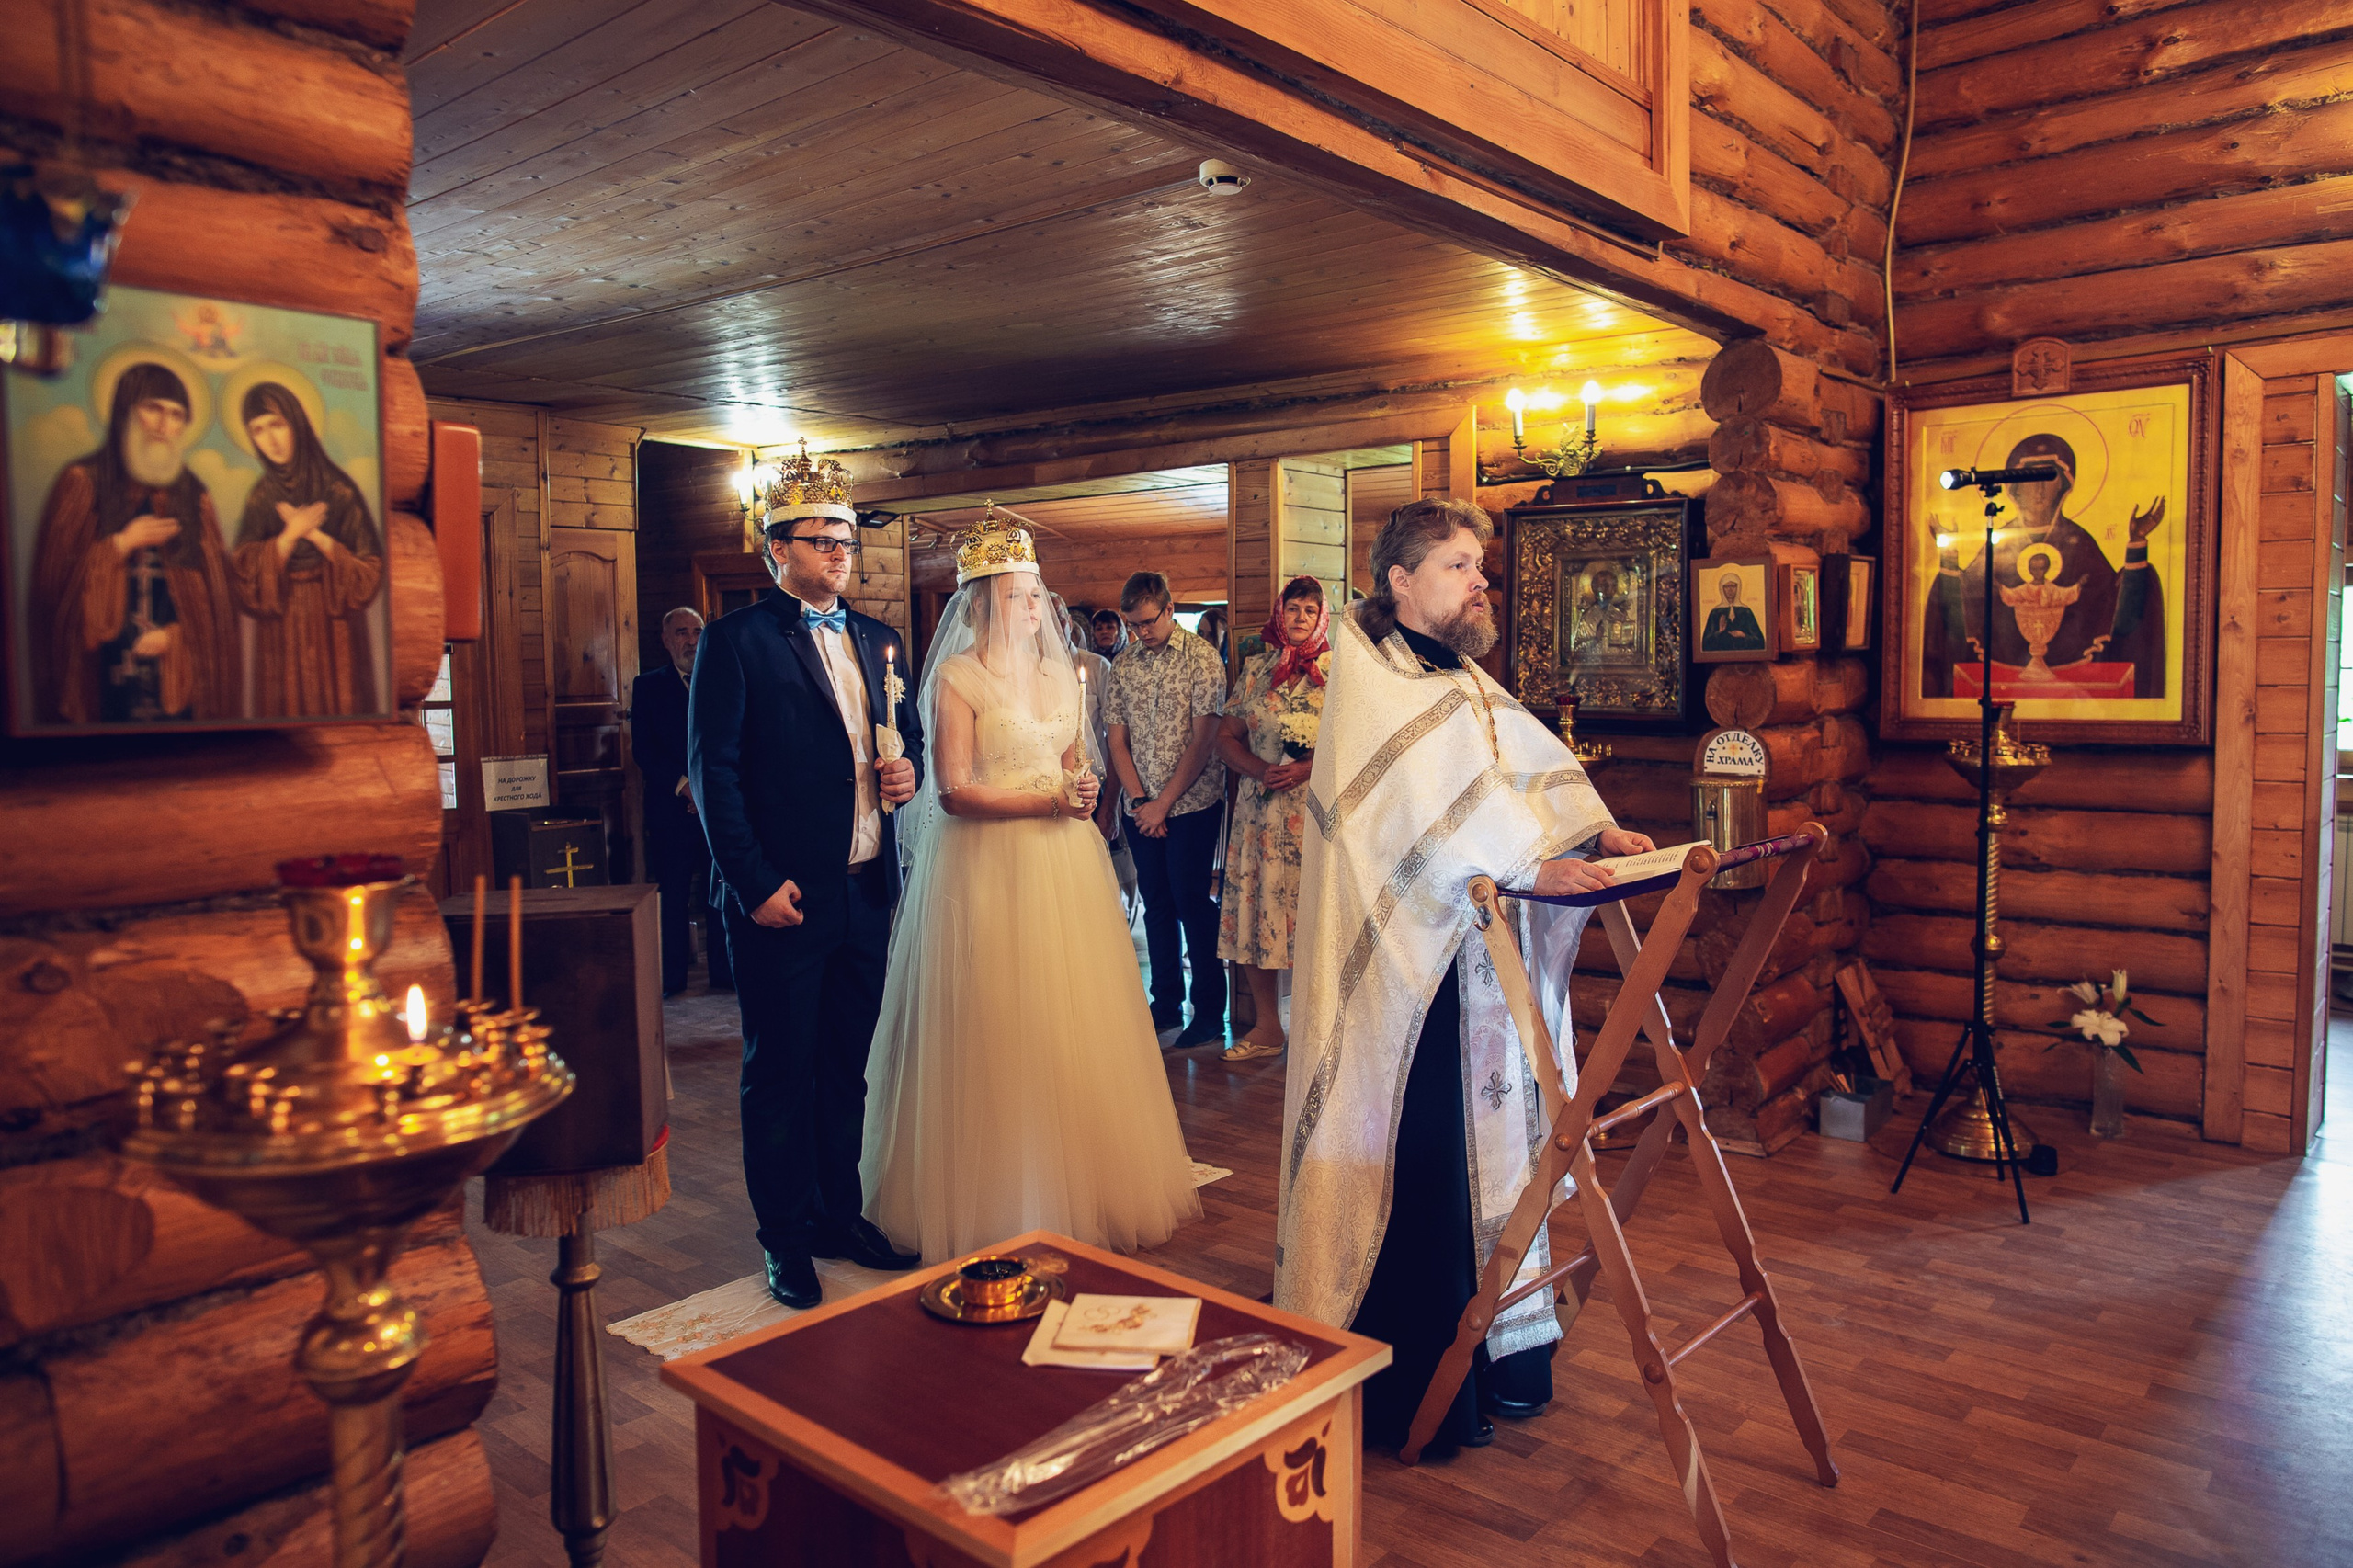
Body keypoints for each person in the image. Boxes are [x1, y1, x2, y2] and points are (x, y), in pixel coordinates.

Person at [1276, 498, 1653, 1455]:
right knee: (1430, 1162)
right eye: (1454, 563)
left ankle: (1499, 1362)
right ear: (1398, 581)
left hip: (1475, 963)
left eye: (1476, 562)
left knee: (1500, 1153)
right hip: (1407, 984)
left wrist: (1593, 829)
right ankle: (1417, 1392)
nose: (1477, 577)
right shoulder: (1373, 684)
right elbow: (1402, 826)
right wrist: (1528, 866)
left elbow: (1522, 775)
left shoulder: (1462, 677)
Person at [862, 517, 1200, 1262]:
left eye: (1035, 596)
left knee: (1069, 1013)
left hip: (1064, 861)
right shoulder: (959, 677)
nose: (1033, 609)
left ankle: (1079, 1174)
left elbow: (1075, 756)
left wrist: (1082, 788)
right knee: (997, 1016)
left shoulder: (1061, 675)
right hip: (988, 865)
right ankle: (994, 1186)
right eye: (1017, 598)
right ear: (982, 603)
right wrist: (1052, 801)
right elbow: (952, 790)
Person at [689, 467, 926, 1309]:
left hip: (865, 888)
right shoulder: (738, 640)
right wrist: (752, 883)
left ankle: (837, 1215)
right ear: (776, 551)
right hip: (781, 899)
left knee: (847, 1067)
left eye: (848, 542)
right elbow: (713, 773)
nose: (841, 556)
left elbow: (910, 743)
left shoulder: (879, 639)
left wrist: (908, 774)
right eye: (823, 542)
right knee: (780, 1072)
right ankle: (784, 1240)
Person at [29, 361, 240, 725]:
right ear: (125, 410)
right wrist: (119, 546)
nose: (163, 425)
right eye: (152, 408)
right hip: (100, 677)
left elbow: (215, 610)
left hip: (178, 684)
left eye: (176, 415)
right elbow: (52, 595)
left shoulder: (194, 498)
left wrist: (175, 637)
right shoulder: (83, 483)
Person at [1921, 432, 2167, 698]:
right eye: (2030, 479)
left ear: (2063, 484)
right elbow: (1968, 596)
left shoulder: (2079, 542)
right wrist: (1948, 551)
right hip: (2004, 669)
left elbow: (2111, 599)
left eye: (2049, 478)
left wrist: (2137, 544)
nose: (2039, 489)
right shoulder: (2001, 543)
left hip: (2075, 675)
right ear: (2014, 487)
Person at [1105, 570, 1229, 1048]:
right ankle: (1165, 1004)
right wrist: (1139, 802)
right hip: (1142, 808)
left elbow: (1204, 741)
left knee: (1192, 903)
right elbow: (1117, 737)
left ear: (1170, 610)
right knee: (1156, 906)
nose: (1142, 632)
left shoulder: (1201, 659)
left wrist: (1164, 803)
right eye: (1133, 625)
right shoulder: (1125, 663)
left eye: (1149, 622)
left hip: (1193, 805)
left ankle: (1208, 1010)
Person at [1213, 575, 1328, 1062]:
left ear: (1323, 617)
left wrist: (1307, 768)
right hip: (1259, 814)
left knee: (1312, 919)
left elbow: (1359, 747)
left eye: (1309, 610)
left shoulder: (1338, 672)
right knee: (1257, 912)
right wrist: (1261, 770)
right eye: (1293, 609)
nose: (1300, 618)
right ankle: (1266, 1028)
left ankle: (1317, 1033)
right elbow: (1225, 737)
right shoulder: (1258, 669)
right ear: (1280, 614)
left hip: (1313, 815)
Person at [229, 381, 386, 717]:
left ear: (296, 424)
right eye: (258, 430)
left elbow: (370, 569)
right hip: (280, 631)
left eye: (277, 424)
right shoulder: (262, 496)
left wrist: (317, 538)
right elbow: (242, 573)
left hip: (334, 627)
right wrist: (288, 538)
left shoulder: (338, 488)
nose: (269, 440)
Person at [633, 607, 732, 996]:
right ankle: (671, 978)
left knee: (721, 890)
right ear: (666, 639)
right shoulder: (648, 686)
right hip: (671, 809)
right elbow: (644, 750)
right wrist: (685, 787)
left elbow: (730, 742)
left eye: (697, 631)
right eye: (681, 633)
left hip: (719, 808)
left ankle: (724, 975)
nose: (691, 640)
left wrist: (709, 789)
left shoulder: (722, 681)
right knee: (672, 895)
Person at [1699, 572, 1766, 653]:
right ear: (1722, 588)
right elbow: (1705, 644)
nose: (1730, 590)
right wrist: (1718, 632)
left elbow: (1760, 642)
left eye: (1733, 586)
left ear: (1738, 588)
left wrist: (1743, 635)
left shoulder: (1746, 611)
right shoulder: (1715, 612)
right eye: (1727, 586)